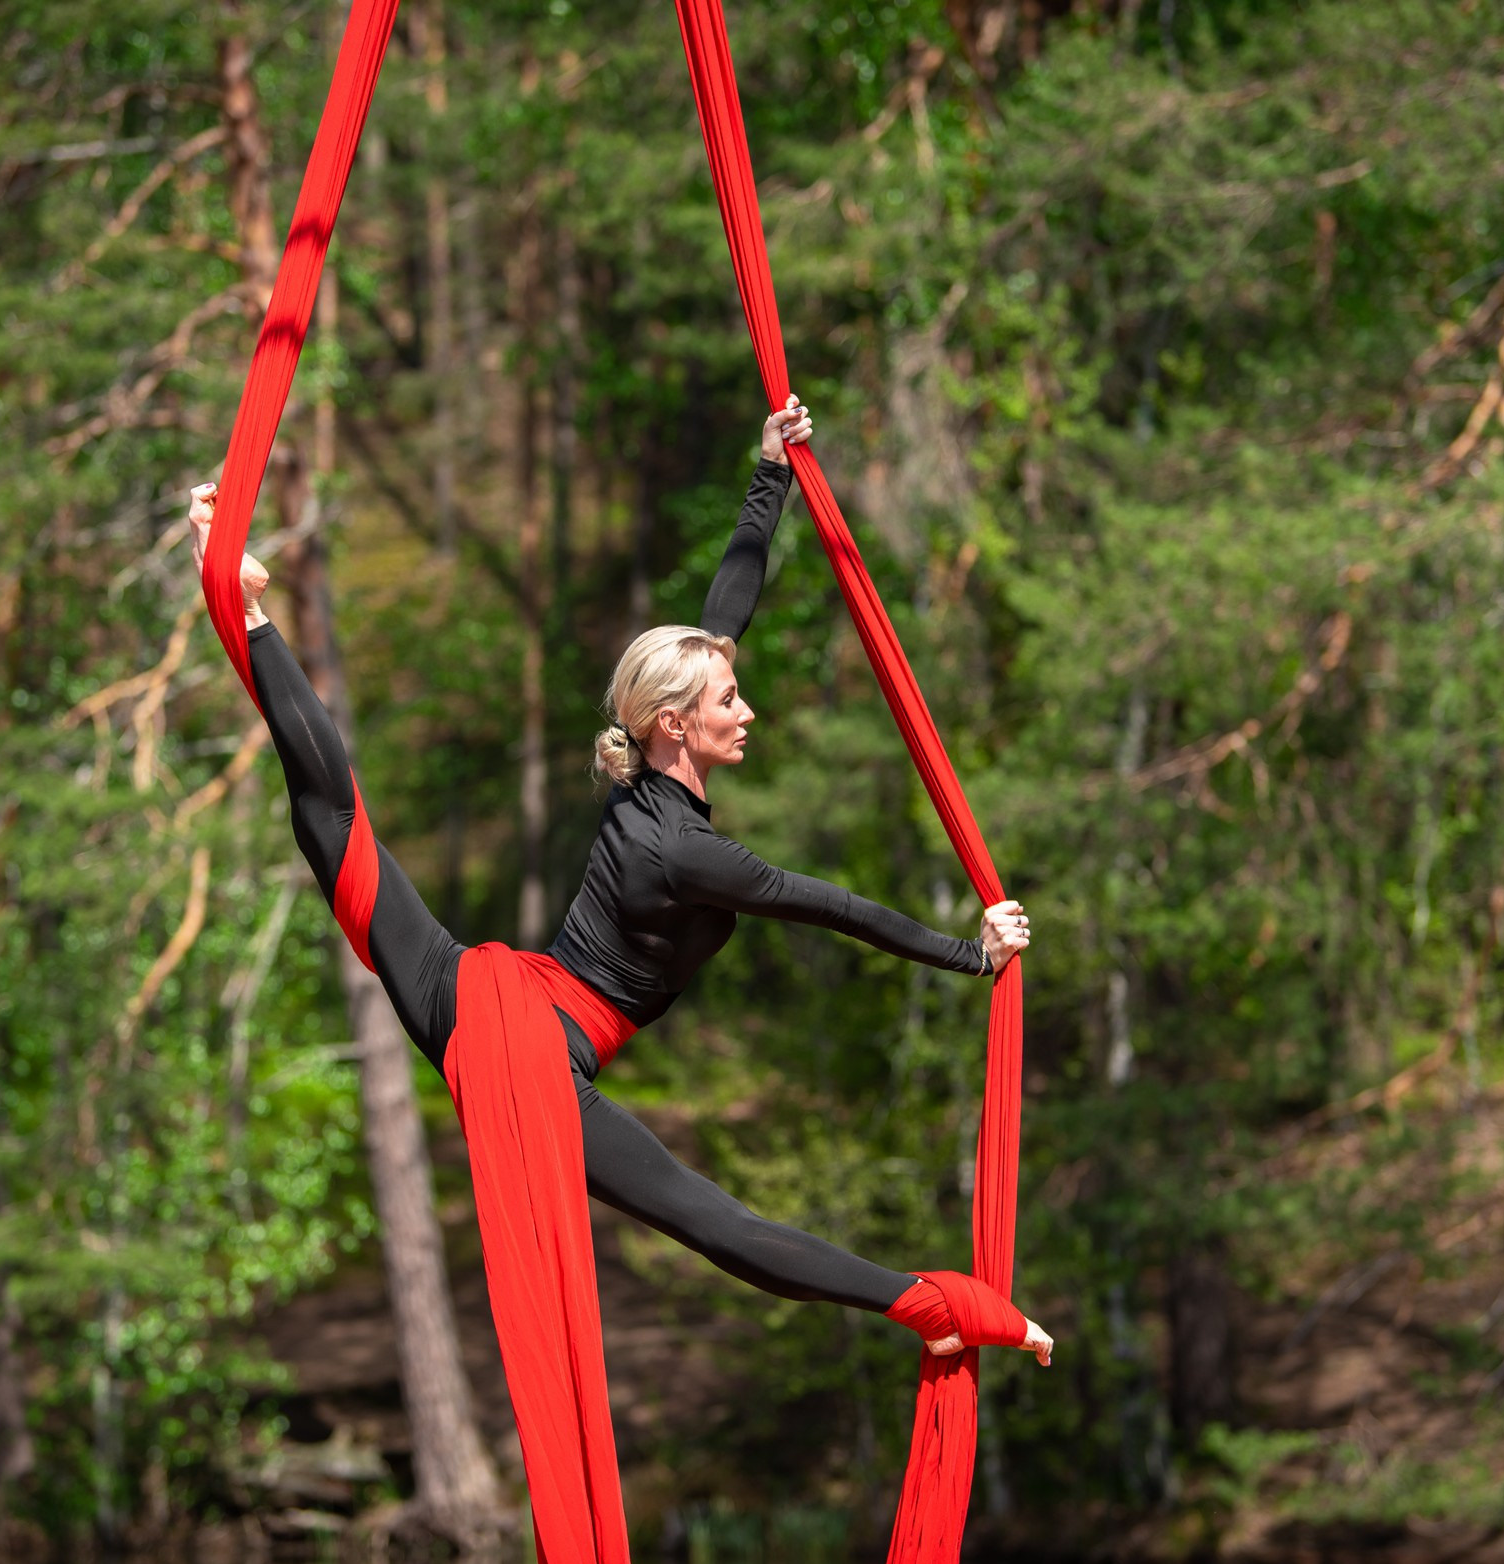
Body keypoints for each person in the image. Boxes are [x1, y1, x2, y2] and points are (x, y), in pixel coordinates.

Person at [188, 397, 1050, 1364]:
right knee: (720, 1225)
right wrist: (971, 955)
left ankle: (252, 611)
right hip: (532, 1051)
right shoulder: (691, 854)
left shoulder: (645, 780)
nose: (748, 707)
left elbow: (728, 606)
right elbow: (832, 906)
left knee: (337, 824)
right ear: (676, 723)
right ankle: (932, 1306)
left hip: (474, 985)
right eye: (731, 698)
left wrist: (769, 473)